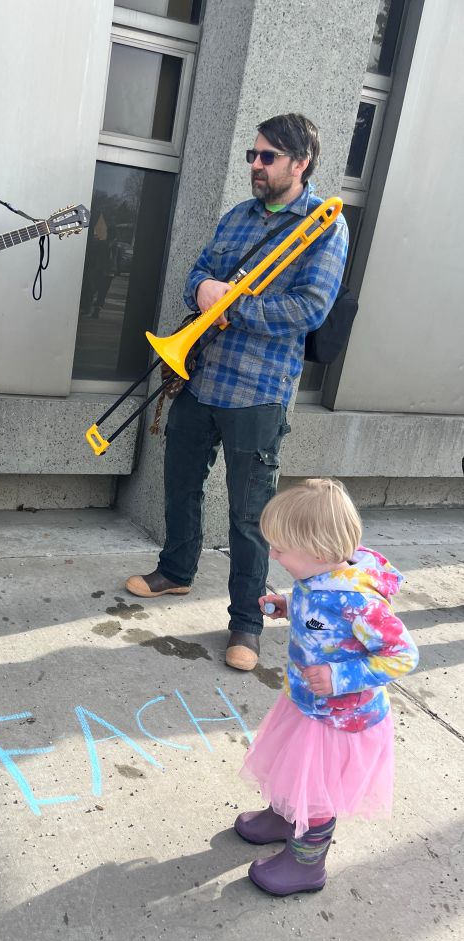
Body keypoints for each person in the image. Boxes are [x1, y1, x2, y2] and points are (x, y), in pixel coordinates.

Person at [125, 114, 349, 672]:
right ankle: (177, 570)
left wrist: (228, 305)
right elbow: (195, 275)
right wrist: (203, 287)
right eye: (253, 154)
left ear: (300, 164)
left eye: (268, 157)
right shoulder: (237, 217)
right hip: (203, 377)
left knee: (251, 516)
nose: (255, 164)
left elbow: (308, 308)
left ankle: (246, 622)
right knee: (180, 483)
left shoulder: (325, 228)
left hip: (260, 390)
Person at [233, 478, 418, 895]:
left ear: (317, 551)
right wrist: (289, 606)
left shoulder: (358, 601)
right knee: (293, 769)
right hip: (306, 702)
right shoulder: (318, 577)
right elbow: (320, 616)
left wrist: (340, 677)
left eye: (280, 549)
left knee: (316, 789)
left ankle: (306, 865)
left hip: (339, 719)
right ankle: (285, 814)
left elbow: (403, 655)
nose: (273, 554)